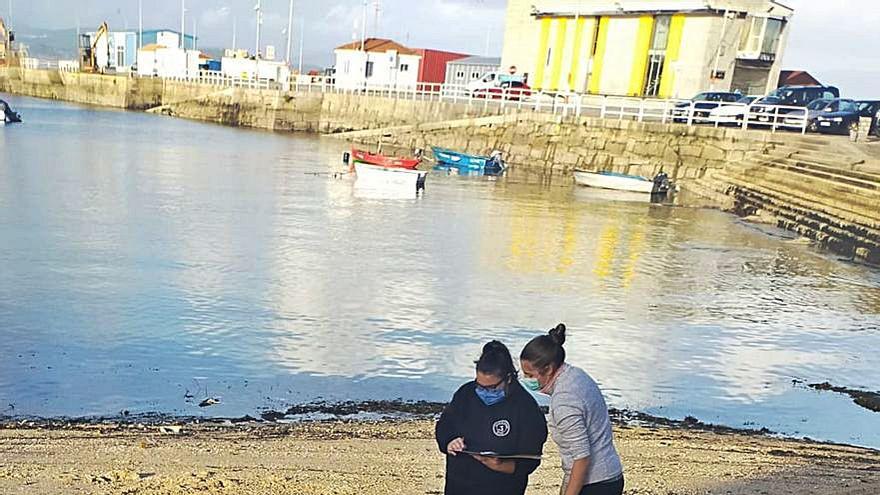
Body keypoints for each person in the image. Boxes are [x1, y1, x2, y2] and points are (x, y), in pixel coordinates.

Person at [520, 324, 623, 495]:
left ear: (549, 369)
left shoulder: (564, 401)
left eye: (530, 375)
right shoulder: (576, 375)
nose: (526, 379)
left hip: (595, 484)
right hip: (609, 474)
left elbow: (581, 458)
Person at [435, 340, 548, 495]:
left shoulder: (526, 408)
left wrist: (500, 464)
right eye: (480, 386)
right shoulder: (466, 394)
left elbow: (531, 459)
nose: (484, 391)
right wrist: (449, 441)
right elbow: (445, 426)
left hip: (502, 487)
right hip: (459, 483)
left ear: (508, 378)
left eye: (492, 387)